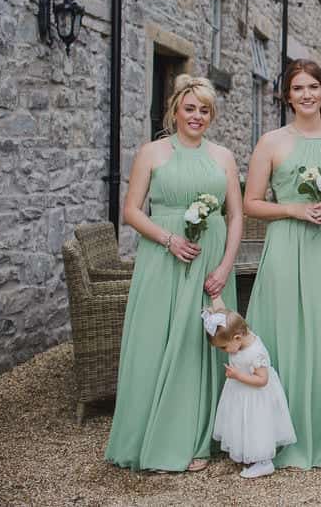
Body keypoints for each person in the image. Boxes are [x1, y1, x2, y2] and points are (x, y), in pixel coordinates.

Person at [105, 75, 241, 472]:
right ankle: (150, 434)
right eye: (190, 108)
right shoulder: (152, 152)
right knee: (156, 339)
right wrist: (169, 239)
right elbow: (131, 211)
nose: (197, 116)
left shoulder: (224, 157)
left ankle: (197, 437)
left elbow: (235, 215)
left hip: (211, 260)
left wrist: (225, 266)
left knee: (199, 346)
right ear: (175, 110)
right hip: (163, 259)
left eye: (204, 110)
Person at [244, 59, 321, 469]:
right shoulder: (271, 142)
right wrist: (293, 209)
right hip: (287, 247)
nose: (307, 94)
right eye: (298, 88)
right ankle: (276, 432)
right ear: (287, 95)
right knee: (287, 334)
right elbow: (250, 202)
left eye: (313, 86)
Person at [202, 307, 296, 479]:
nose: (223, 351)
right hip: (242, 392)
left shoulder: (255, 353)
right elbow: (229, 321)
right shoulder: (239, 334)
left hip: (256, 395)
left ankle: (264, 462)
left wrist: (238, 375)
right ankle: (250, 454)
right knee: (244, 423)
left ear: (237, 338)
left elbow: (262, 380)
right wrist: (216, 312)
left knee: (257, 425)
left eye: (224, 347)